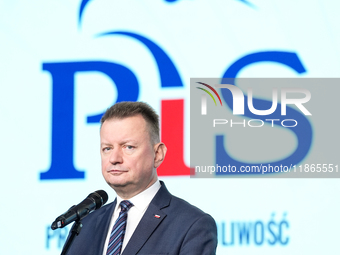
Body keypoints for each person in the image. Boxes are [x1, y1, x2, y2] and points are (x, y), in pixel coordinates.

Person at [65, 101, 217, 255]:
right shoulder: (85, 225)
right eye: (107, 148)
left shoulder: (191, 225)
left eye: (128, 147)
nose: (114, 158)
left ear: (157, 154)